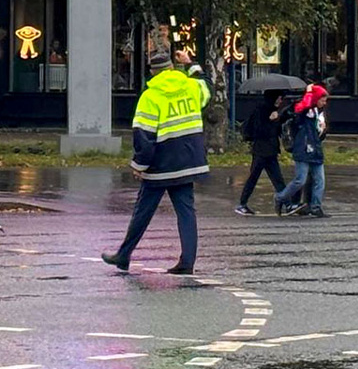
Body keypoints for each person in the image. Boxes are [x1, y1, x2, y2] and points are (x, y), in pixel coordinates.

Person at [101, 50, 209, 275]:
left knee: (143, 211)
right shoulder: (190, 86)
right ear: (171, 67)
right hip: (188, 161)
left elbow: (144, 136)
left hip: (161, 165)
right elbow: (206, 87)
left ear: (152, 72)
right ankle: (187, 262)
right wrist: (191, 63)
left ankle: (123, 255)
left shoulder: (150, 96)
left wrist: (139, 165)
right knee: (186, 212)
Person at [274, 84, 329, 218]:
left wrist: (322, 129)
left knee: (320, 180)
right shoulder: (304, 110)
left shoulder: (317, 113)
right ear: (315, 99)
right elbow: (302, 107)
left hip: (314, 148)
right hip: (303, 148)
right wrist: (309, 93)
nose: (324, 102)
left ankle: (316, 206)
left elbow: (319, 132)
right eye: (322, 99)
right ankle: (280, 197)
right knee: (300, 180)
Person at [235, 90, 288, 215]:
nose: (281, 101)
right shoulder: (262, 111)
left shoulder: (273, 111)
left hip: (270, 150)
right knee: (254, 177)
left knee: (277, 179)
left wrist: (278, 119)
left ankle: (287, 203)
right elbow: (261, 131)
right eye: (279, 98)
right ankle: (242, 203)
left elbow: (276, 130)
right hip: (261, 150)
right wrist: (271, 120)